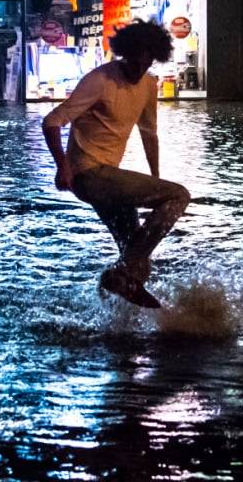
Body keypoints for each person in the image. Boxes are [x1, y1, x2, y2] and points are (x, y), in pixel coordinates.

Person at [42, 20, 191, 308]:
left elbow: (149, 133)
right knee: (179, 195)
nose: (139, 70)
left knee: (139, 260)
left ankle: (114, 313)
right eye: (134, 63)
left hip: (109, 178)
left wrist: (156, 179)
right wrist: (63, 166)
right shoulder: (100, 80)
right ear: (124, 54)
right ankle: (120, 273)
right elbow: (51, 121)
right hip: (89, 175)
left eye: (146, 64)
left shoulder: (149, 85)